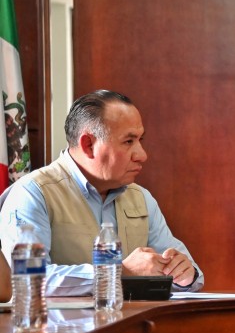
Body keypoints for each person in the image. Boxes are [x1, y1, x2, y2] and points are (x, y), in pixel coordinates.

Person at [0, 89, 204, 296]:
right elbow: (27, 279)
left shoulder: (142, 198)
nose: (142, 155)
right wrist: (119, 272)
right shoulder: (32, 193)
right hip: (61, 319)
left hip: (132, 317)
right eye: (128, 141)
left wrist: (185, 275)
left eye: (140, 140)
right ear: (88, 145)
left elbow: (194, 279)